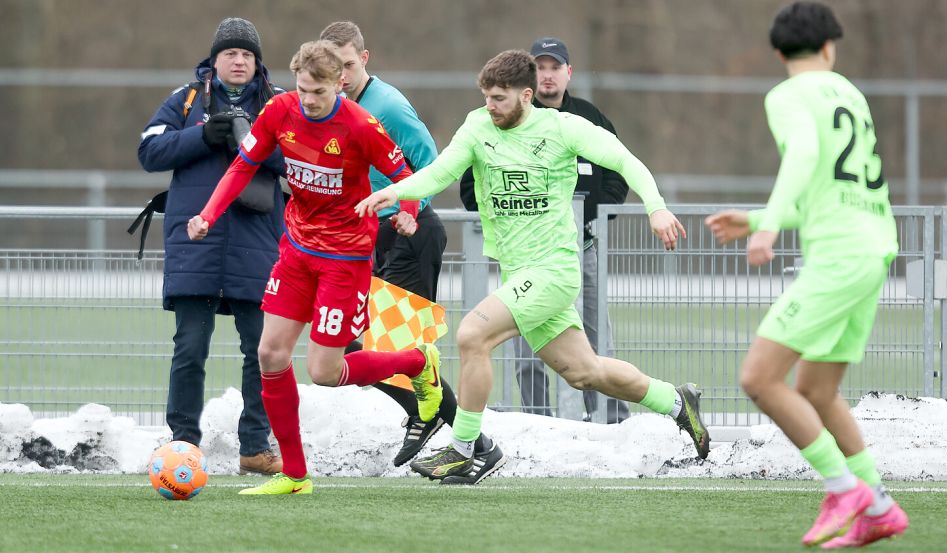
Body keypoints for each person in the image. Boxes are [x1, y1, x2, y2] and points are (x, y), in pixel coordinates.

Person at [355, 50, 711, 484]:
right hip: (519, 273)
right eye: (486, 96)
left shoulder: (561, 128)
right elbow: (441, 171)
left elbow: (625, 161)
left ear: (527, 95)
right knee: (585, 372)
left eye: (500, 98)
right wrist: (392, 192)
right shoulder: (477, 126)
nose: (491, 106)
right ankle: (677, 402)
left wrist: (655, 208)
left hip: (553, 271)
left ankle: (466, 450)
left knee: (472, 335)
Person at [187, 40, 442, 495]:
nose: (308, 99)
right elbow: (243, 166)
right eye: (303, 88)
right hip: (297, 250)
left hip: (345, 259)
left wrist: (408, 208)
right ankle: (295, 474)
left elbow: (407, 174)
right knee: (270, 355)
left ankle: (419, 363)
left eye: (318, 92)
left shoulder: (361, 125)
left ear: (339, 85)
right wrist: (208, 214)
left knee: (325, 371)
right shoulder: (279, 111)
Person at [705, 2, 908, 548]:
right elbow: (831, 193)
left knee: (759, 379)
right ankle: (879, 506)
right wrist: (757, 218)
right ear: (828, 47)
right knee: (817, 389)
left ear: (778, 52)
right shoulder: (849, 93)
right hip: (874, 248)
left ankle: (845, 490)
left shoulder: (787, 95)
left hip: (840, 256)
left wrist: (767, 228)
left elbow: (803, 156)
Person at [318, 22, 498, 477]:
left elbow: (432, 165)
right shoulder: (332, 108)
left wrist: (411, 208)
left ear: (366, 58)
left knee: (397, 352)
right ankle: (435, 417)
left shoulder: (389, 106)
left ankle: (471, 441)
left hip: (408, 235)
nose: (340, 74)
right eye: (332, 66)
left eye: (349, 65)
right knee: (360, 347)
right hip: (364, 240)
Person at [137, 17, 286, 476]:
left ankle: (255, 447)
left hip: (257, 244)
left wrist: (253, 142)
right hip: (195, 243)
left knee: (261, 351)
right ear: (214, 60)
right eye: (230, 54)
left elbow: (305, 156)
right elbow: (149, 152)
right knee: (190, 348)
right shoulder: (185, 100)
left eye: (246, 54)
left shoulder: (280, 102)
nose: (239, 61)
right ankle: (183, 444)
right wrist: (203, 136)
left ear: (257, 62)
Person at [460, 36, 631, 423]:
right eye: (540, 67)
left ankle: (611, 421)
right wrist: (503, 219)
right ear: (527, 82)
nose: (548, 75)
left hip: (582, 246)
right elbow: (471, 182)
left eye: (556, 67)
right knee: (527, 345)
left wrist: (598, 218)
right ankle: (537, 421)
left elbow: (618, 171)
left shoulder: (587, 117)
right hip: (525, 257)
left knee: (595, 338)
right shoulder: (505, 118)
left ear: (569, 73)